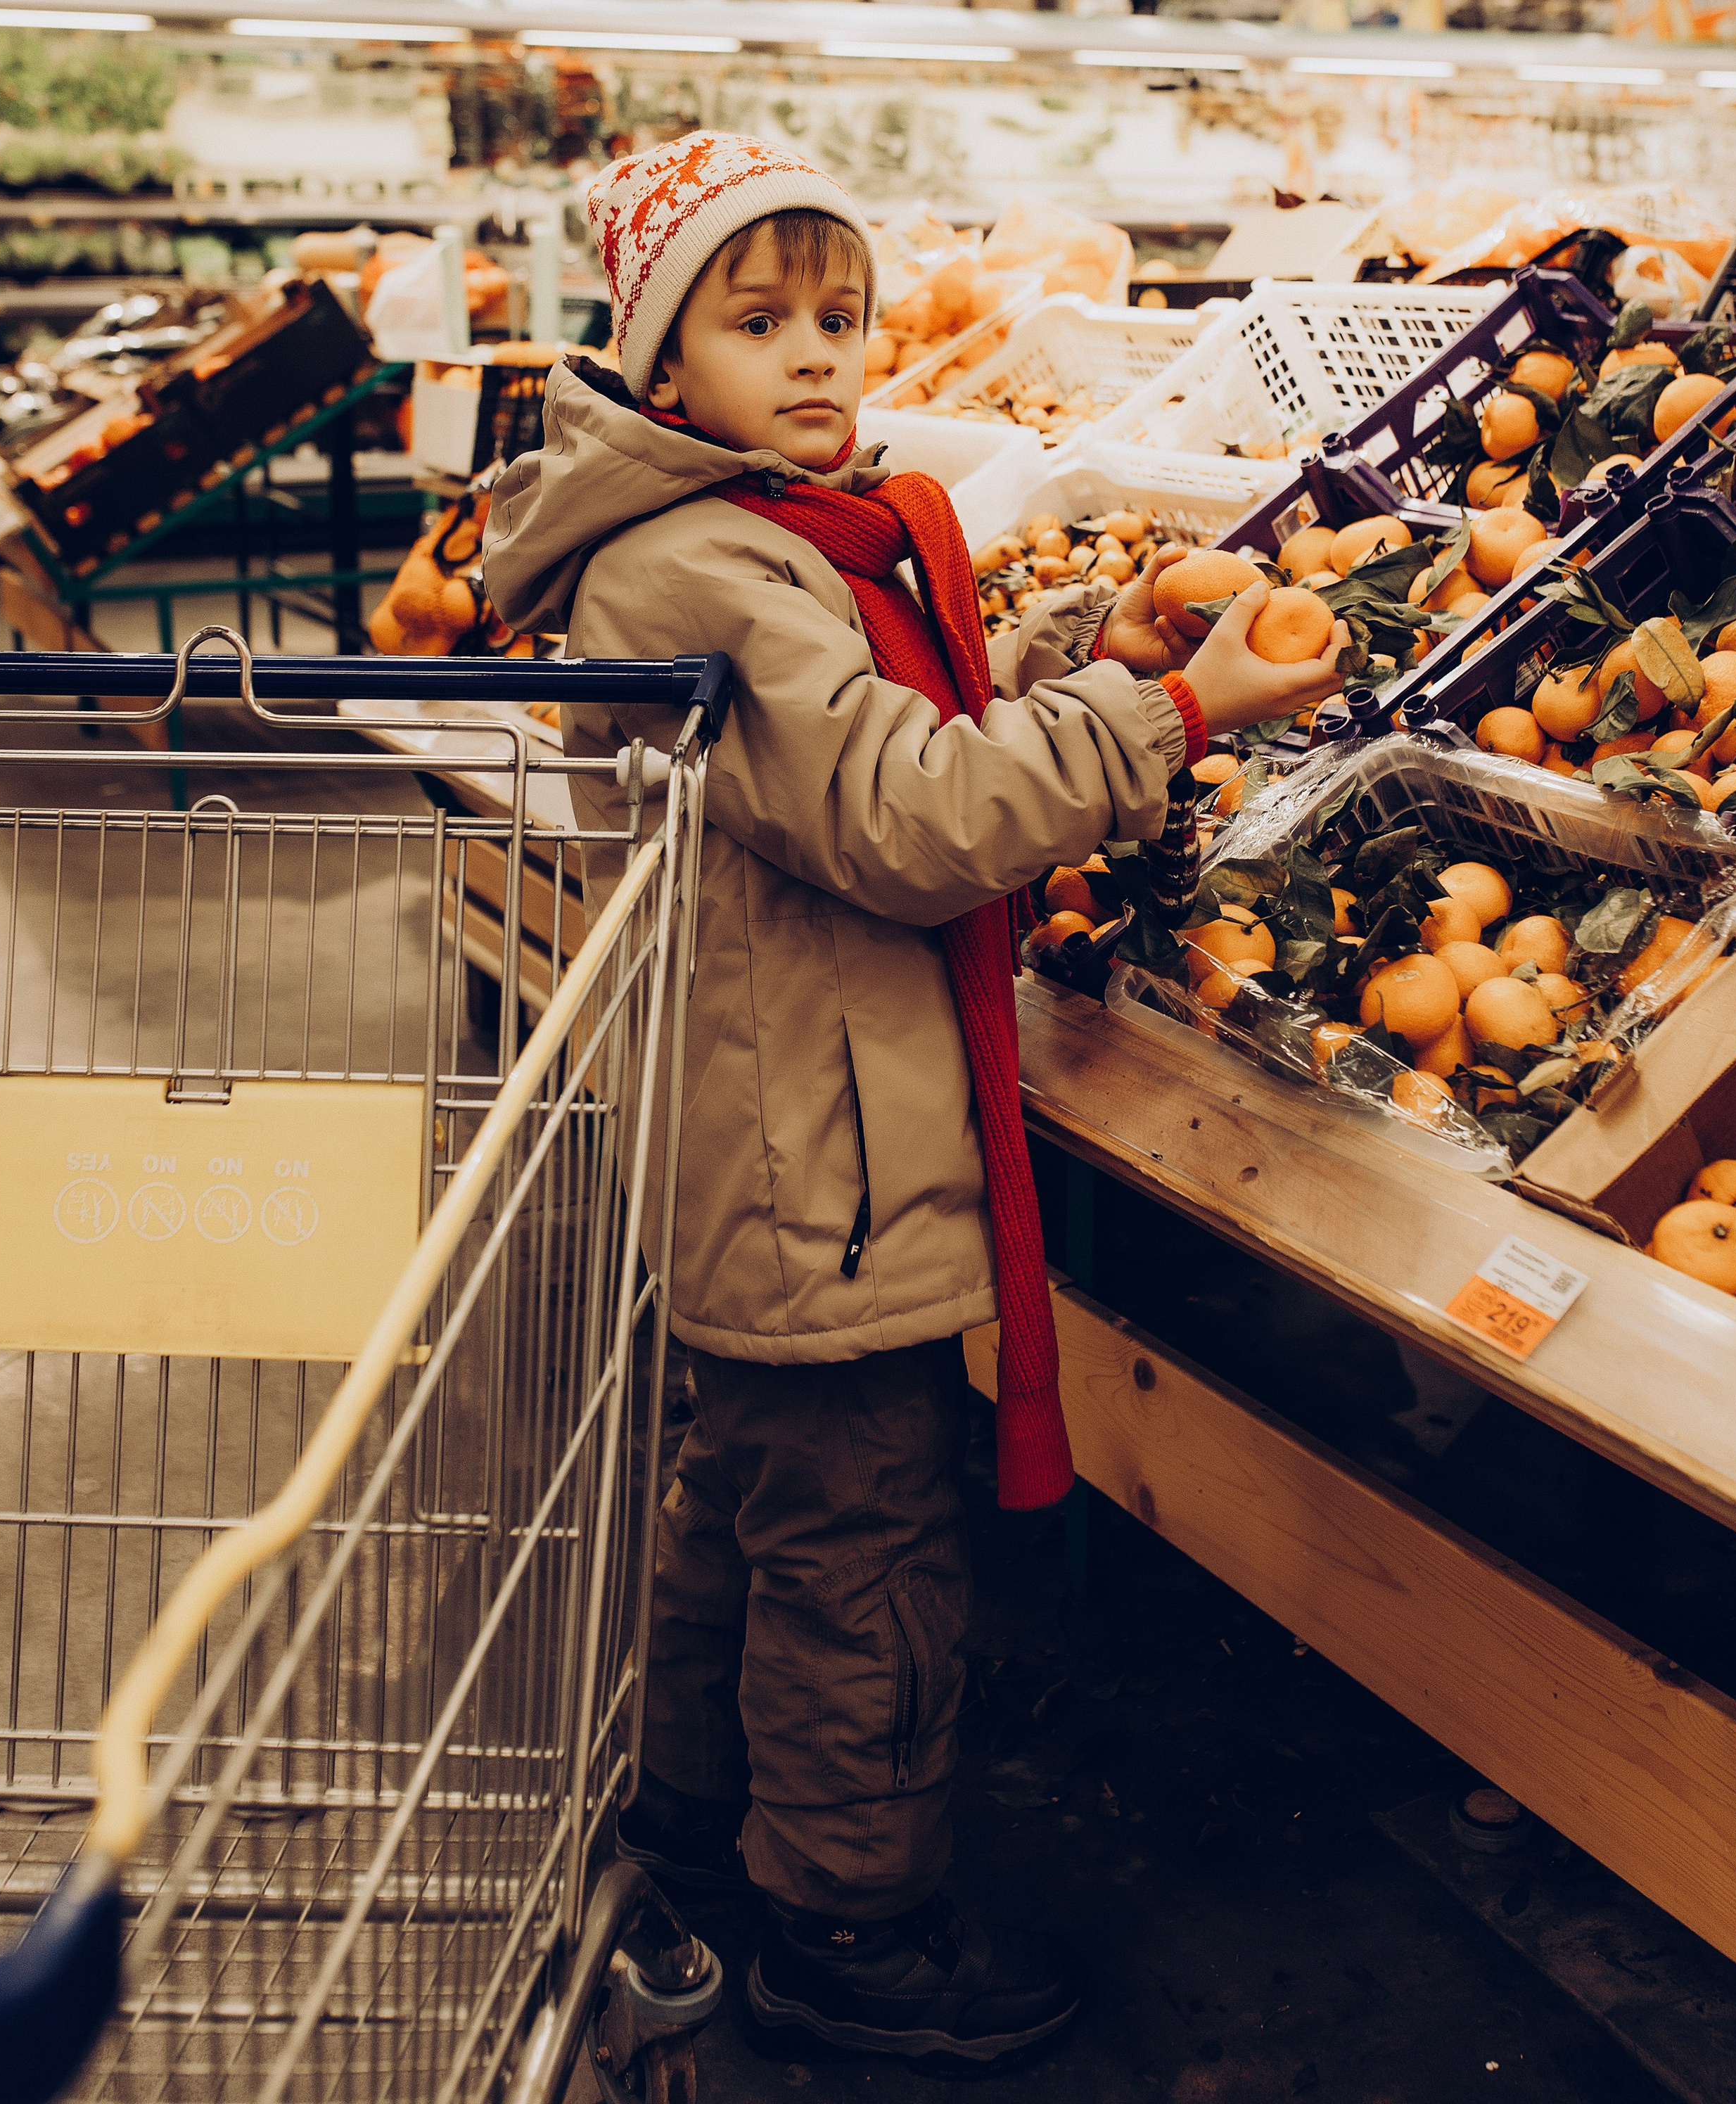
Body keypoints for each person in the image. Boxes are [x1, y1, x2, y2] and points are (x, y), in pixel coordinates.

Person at [482, 132, 1343, 2066]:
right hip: (819, 1173)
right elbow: (911, 810)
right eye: (757, 318)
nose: (818, 352)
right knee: (865, 1557)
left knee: (748, 1510)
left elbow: (887, 717)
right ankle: (848, 1928)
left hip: (775, 1144)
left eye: (843, 314)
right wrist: (1173, 713)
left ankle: (692, 1821)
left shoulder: (763, 532)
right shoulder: (701, 564)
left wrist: (1080, 660)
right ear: (658, 354)